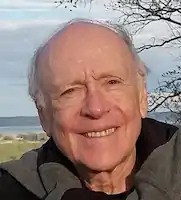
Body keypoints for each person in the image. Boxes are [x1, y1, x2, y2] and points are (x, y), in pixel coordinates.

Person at [0, 19, 179, 200]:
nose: (96, 108)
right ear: (43, 115)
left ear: (141, 96)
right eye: (70, 91)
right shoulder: (11, 190)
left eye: (112, 82)